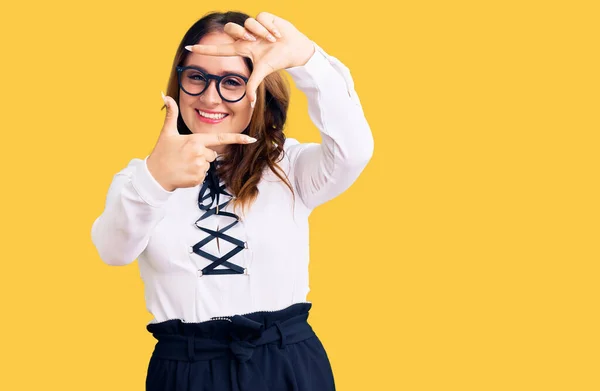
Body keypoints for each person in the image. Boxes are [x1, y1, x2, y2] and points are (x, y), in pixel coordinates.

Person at [91, 10, 374, 391]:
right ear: (179, 83)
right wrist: (155, 181)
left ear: (259, 88)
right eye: (196, 77)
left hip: (287, 364)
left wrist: (307, 59)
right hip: (186, 369)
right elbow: (113, 250)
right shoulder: (142, 179)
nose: (211, 97)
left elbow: (353, 150)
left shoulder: (290, 167)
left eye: (232, 82)